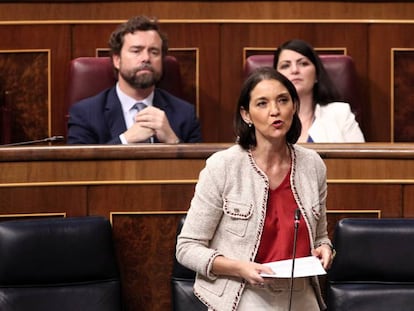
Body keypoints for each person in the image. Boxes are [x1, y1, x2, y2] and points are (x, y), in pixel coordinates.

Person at [176, 67, 334, 310]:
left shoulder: (312, 165)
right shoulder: (224, 166)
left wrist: (324, 247)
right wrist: (239, 267)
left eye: (283, 100)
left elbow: (321, 235)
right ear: (246, 114)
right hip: (243, 290)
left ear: (294, 106)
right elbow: (187, 248)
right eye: (262, 103)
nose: (275, 111)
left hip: (300, 291)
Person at [67, 15, 202, 144]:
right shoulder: (85, 114)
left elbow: (199, 166)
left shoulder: (185, 113)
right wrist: (124, 141)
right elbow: (78, 167)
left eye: (154, 52)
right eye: (136, 51)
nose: (146, 58)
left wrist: (173, 141)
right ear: (117, 60)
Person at [273, 39, 365, 143]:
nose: (294, 70)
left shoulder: (340, 114)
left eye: (303, 63)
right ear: (276, 78)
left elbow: (360, 158)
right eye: (285, 65)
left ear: (316, 74)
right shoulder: (269, 117)